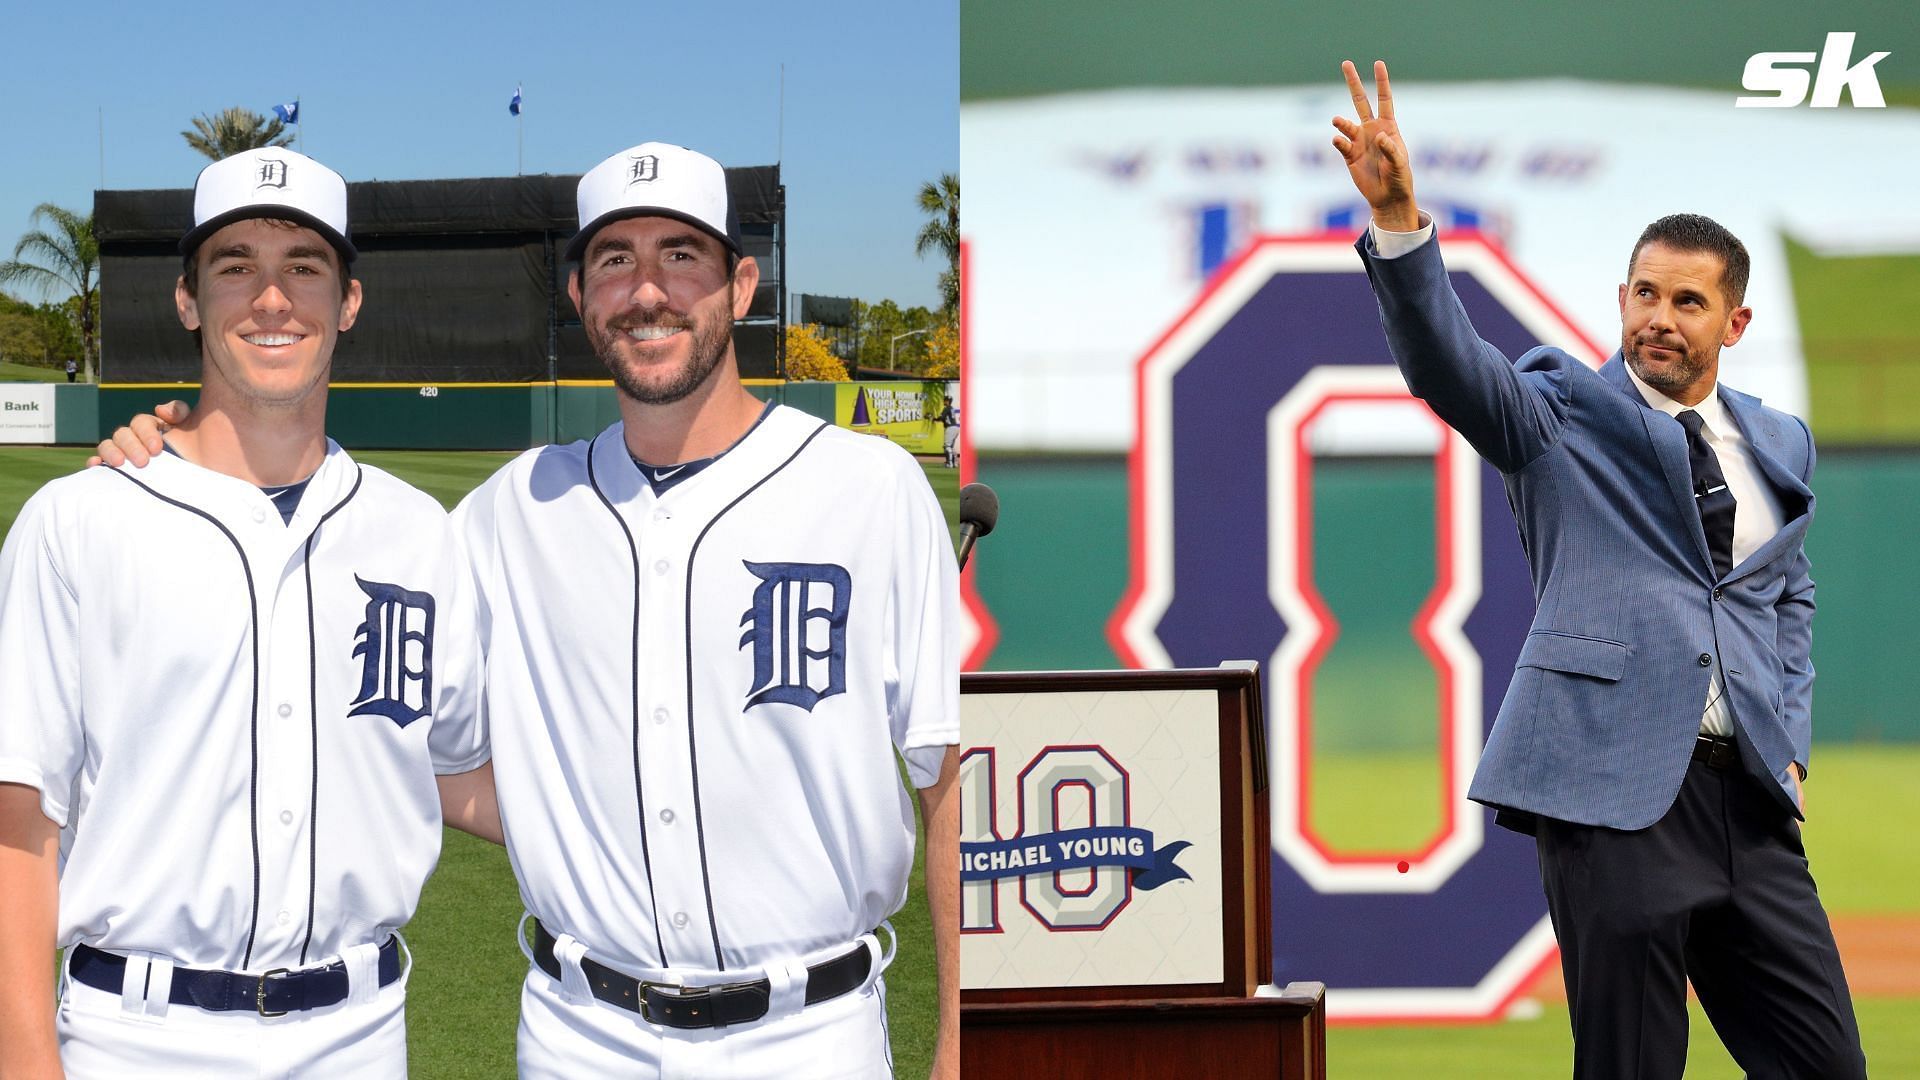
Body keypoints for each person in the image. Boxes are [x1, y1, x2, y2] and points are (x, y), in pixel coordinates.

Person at [100, 141, 960, 1080]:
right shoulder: (507, 514)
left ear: (740, 284)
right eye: (615, 261)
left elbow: (947, 770)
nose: (648, 290)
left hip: (811, 1034)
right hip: (581, 1036)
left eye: (682, 255)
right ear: (581, 294)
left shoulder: (869, 488)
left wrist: (960, 1043)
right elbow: (378, 719)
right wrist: (180, 445)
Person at [1333, 60, 1864, 1079]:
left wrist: (1789, 732)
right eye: (1647, 294)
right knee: (1632, 1066)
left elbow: (1787, 591)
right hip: (1612, 795)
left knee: (1829, 1064)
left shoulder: (1782, 442)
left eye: (1690, 302)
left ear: (1734, 324)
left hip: (1748, 802)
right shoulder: (1557, 411)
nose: (1661, 317)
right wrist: (1400, 218)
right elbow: (1448, 362)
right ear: (1621, 299)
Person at [0, 148, 498, 1078]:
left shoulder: (417, 534)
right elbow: (17, 824)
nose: (272, 299)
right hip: (135, 1039)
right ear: (189, 300)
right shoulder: (81, 522)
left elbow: (457, 769)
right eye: (237, 267)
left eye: (304, 267)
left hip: (359, 1035)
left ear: (348, 301)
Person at [940, 396, 959, 468]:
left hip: (950, 427)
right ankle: (955, 463)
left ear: (947, 401)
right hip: (955, 427)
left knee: (947, 446)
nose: (944, 401)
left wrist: (933, 418)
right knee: (951, 447)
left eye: (945, 400)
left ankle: (949, 463)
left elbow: (942, 418)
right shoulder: (952, 408)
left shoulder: (947, 408)